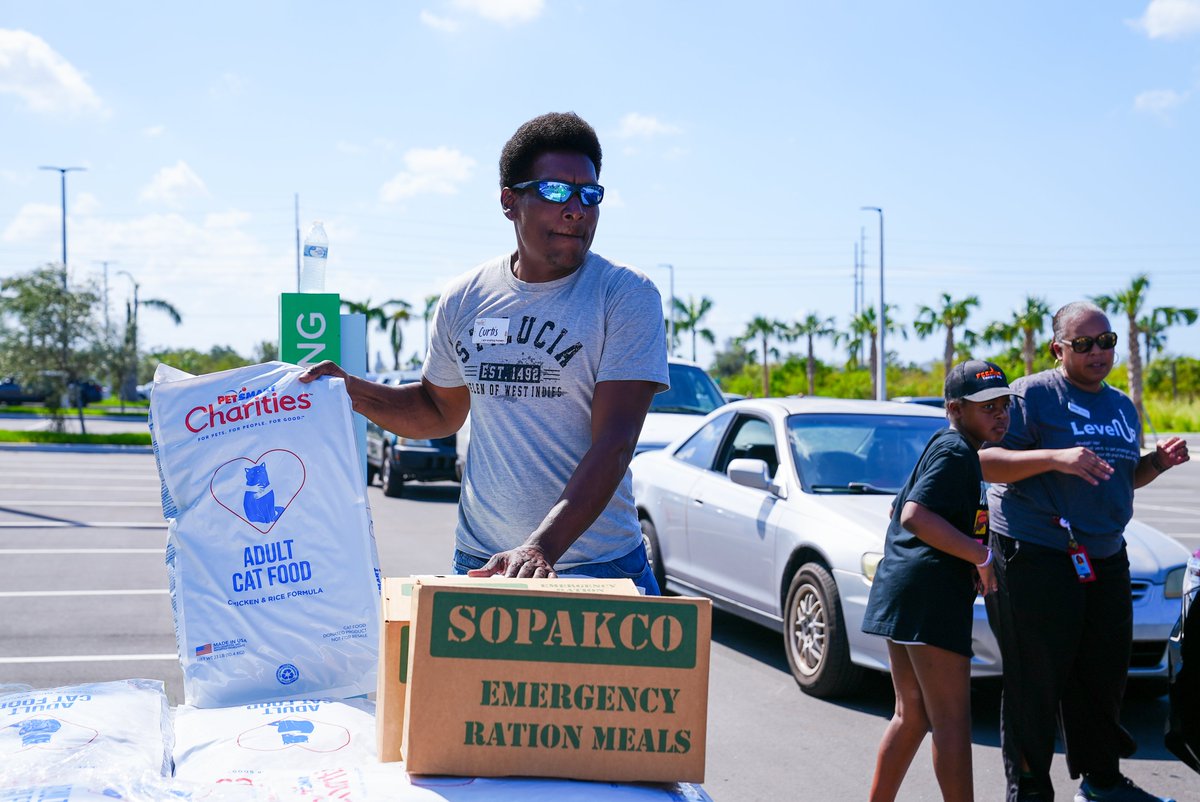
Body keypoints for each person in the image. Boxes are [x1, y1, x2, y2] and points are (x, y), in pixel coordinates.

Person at [300, 112, 668, 594]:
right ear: (509, 201)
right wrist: (350, 390)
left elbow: (614, 443)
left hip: (596, 568)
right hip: (482, 564)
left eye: (589, 194)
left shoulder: (623, 294)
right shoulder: (466, 297)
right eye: (556, 191)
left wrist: (538, 549)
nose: (576, 208)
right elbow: (437, 412)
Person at [980, 301, 1190, 802]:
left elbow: (1119, 478)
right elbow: (987, 461)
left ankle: (1101, 781)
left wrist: (1155, 464)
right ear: (1058, 349)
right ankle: (1028, 791)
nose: (1099, 352)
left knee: (1102, 677)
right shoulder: (1032, 395)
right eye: (1084, 344)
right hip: (1035, 552)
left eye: (1107, 341)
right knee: (1036, 681)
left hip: (1105, 555)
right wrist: (1055, 456)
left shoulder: (1121, 405)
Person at [861, 358, 1015, 802]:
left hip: (902, 592)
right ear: (955, 408)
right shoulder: (955, 451)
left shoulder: (946, 446)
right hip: (930, 598)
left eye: (1004, 404)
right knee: (951, 721)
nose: (1000, 414)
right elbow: (913, 516)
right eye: (988, 407)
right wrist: (979, 554)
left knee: (911, 716)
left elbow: (897, 508)